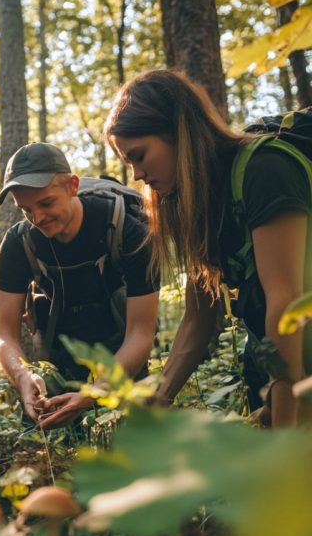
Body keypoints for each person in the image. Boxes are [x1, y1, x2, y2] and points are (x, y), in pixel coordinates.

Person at [104, 69, 311, 428]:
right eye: (128, 162)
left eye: (139, 155)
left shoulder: (265, 169)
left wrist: (285, 432)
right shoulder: (201, 203)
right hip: (282, 357)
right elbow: (199, 317)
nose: (136, 174)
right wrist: (159, 398)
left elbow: (285, 305)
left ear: (178, 133)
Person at [0, 142, 159, 429]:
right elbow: (5, 334)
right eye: (26, 210)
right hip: (58, 335)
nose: (37, 218)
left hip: (119, 334)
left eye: (46, 203)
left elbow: (141, 334)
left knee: (136, 433)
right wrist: (23, 375)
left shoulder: (126, 227)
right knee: (41, 431)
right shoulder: (19, 243)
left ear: (72, 186)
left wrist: (94, 394)